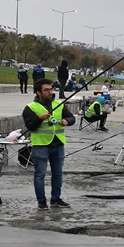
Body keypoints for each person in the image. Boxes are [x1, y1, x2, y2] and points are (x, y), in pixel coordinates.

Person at [22, 78, 76, 210]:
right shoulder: (30, 108)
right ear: (38, 92)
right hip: (41, 145)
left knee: (58, 174)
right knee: (40, 174)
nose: (50, 92)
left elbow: (72, 118)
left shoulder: (60, 104)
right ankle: (41, 201)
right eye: (46, 90)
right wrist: (39, 118)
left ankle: (55, 199)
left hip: (58, 144)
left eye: (51, 89)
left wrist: (67, 121)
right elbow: (30, 127)